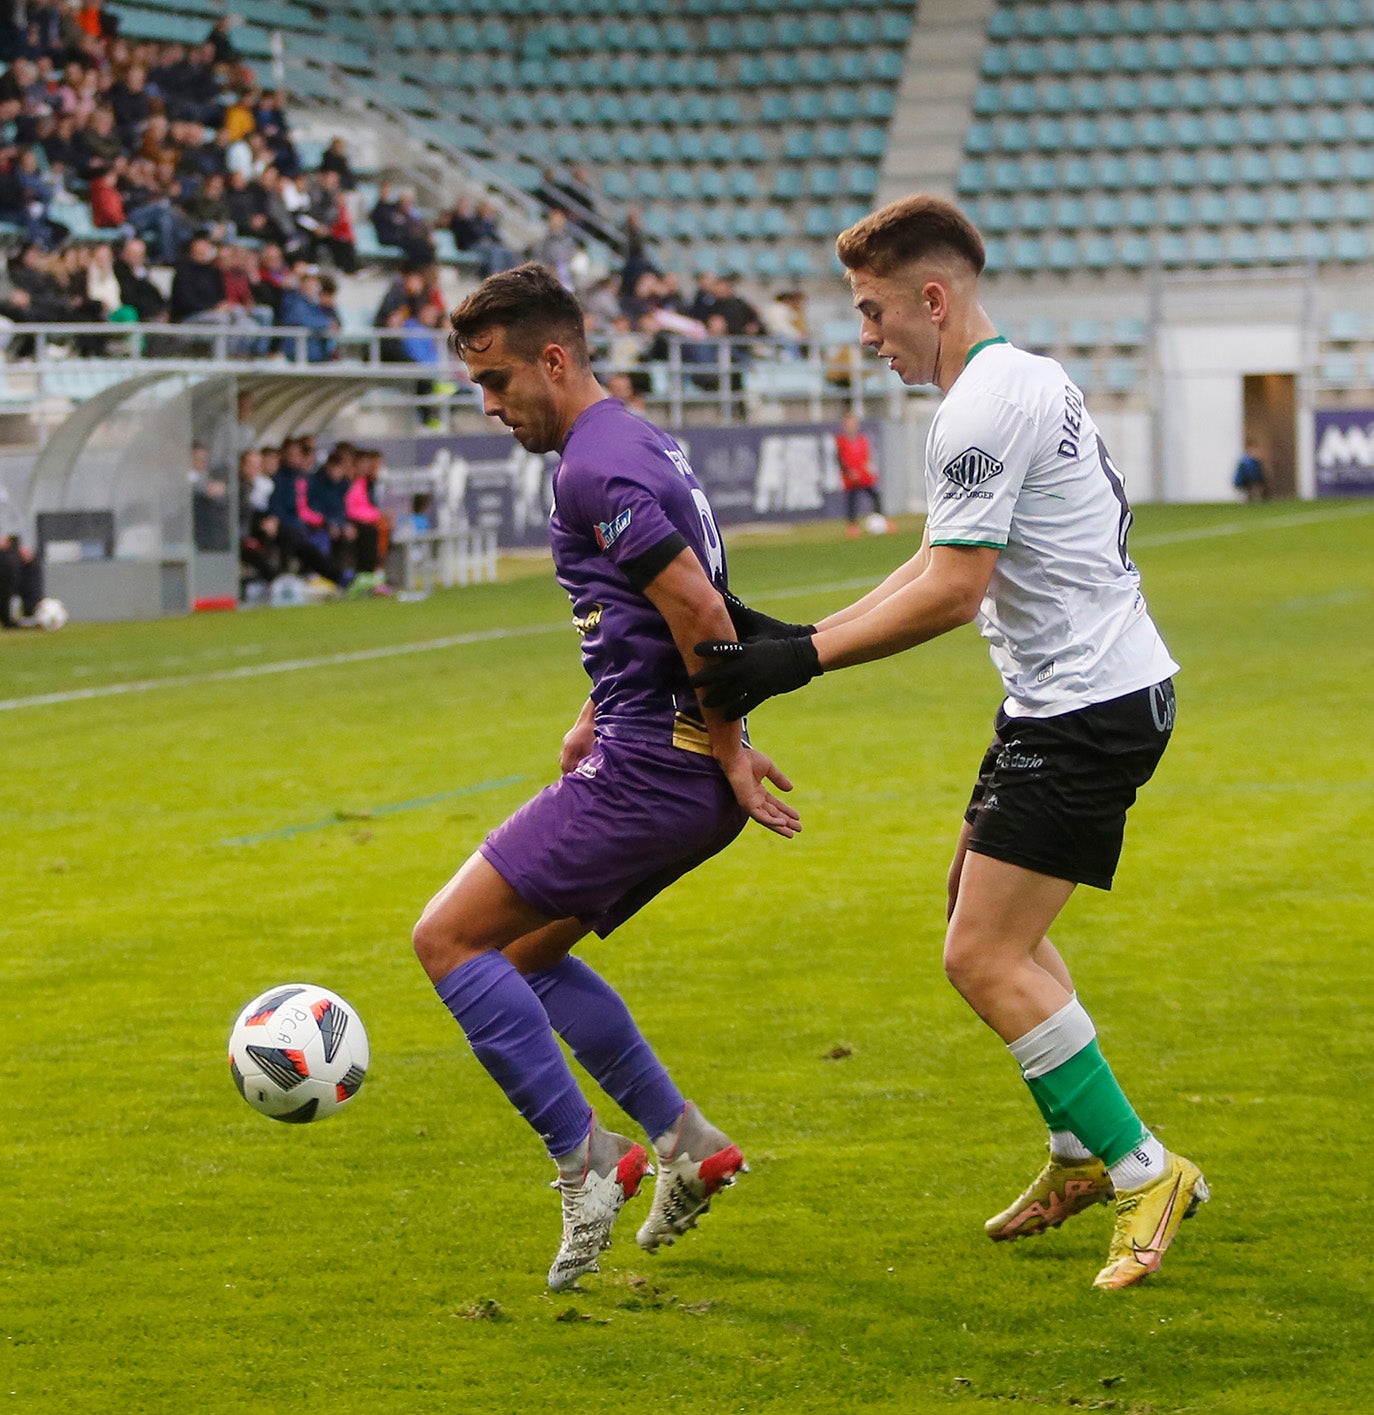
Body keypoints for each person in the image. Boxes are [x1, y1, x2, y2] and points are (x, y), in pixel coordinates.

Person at [691, 195, 1208, 1291]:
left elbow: (956, 592)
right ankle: (1077, 1151)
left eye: (875, 314)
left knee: (981, 954)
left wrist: (805, 661)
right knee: (977, 915)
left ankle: (1143, 1168)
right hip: (1068, 696)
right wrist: (805, 633)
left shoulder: (980, 405)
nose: (867, 339)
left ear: (933, 296)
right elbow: (937, 558)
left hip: (1087, 707)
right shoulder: (1020, 377)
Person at [412, 262, 799, 1292]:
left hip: (655, 771)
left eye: (499, 382)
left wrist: (722, 745)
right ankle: (686, 1143)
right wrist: (601, 708)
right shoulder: (631, 440)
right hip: (661, 759)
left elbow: (709, 619)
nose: (491, 406)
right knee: (526, 957)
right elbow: (664, 605)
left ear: (556, 356)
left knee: (447, 939)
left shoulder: (594, 466)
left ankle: (587, 1161)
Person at [835, 411, 894, 537]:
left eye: (854, 423)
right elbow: (839, 459)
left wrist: (868, 468)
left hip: (864, 475)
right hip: (850, 477)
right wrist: (848, 472)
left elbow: (867, 456)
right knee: (852, 502)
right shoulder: (841, 441)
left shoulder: (862, 439)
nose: (852, 426)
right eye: (849, 423)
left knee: (875, 496)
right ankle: (852, 527)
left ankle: (883, 521)